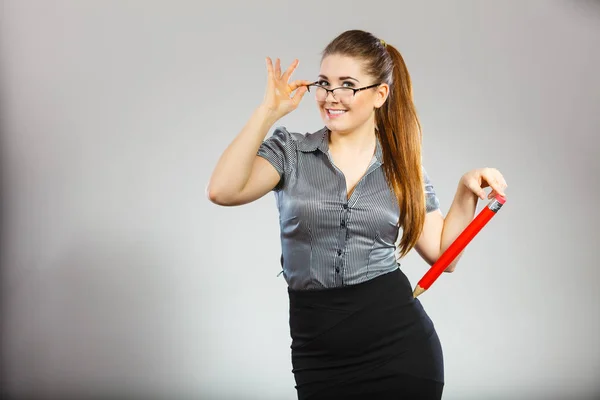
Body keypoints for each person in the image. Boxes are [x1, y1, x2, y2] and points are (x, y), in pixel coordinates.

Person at [207, 29, 507, 400]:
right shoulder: (290, 152)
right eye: (325, 83)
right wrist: (267, 112)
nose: (331, 97)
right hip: (318, 352)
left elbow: (445, 257)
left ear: (380, 94)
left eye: (347, 85)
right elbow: (223, 190)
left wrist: (465, 191)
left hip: (401, 349)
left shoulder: (404, 169)